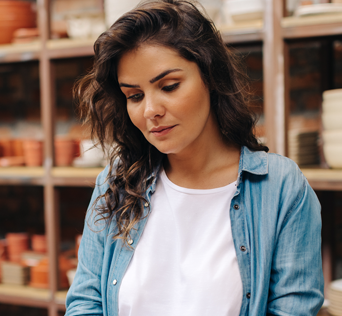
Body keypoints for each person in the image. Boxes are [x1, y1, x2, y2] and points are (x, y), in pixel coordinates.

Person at [64, 0, 323, 315]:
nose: (150, 111)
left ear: (210, 77)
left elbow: (293, 308)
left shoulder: (280, 188)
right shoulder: (115, 183)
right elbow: (85, 303)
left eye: (169, 86)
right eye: (134, 96)